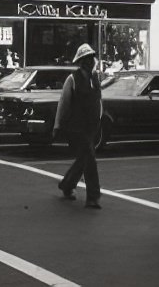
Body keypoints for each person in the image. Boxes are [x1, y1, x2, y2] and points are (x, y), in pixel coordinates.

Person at [55, 43, 102, 209]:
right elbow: (64, 103)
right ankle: (93, 196)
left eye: (91, 58)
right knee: (90, 160)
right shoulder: (72, 79)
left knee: (83, 159)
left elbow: (98, 101)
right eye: (87, 59)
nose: (90, 62)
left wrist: (99, 120)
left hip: (91, 127)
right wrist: (57, 125)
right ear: (81, 62)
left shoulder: (95, 78)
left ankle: (67, 184)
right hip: (76, 127)